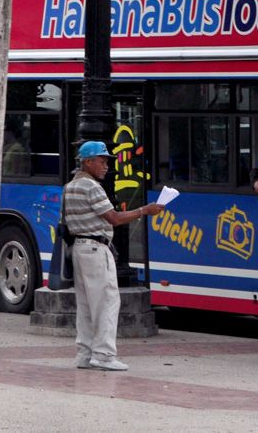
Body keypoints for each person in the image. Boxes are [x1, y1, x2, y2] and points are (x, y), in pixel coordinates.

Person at [65, 141, 165, 371]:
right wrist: (143, 210)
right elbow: (114, 218)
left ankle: (85, 353)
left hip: (79, 249)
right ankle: (104, 355)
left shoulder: (71, 186)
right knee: (108, 302)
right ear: (87, 161)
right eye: (102, 160)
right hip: (95, 249)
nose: (106, 165)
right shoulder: (91, 187)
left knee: (86, 305)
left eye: (106, 161)